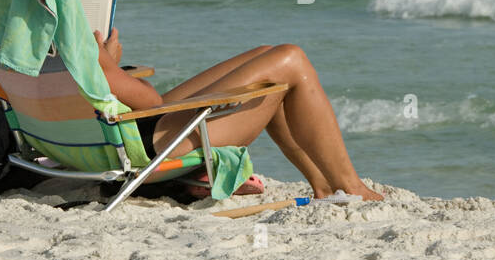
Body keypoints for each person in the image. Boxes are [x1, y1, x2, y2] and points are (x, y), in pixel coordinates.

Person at [92, 29, 383, 201]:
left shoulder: (50, 52)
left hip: (116, 133)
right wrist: (110, 65)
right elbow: (149, 100)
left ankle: (322, 183)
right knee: (291, 59)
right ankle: (349, 185)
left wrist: (108, 69)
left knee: (265, 54)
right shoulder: (80, 52)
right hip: (149, 143)